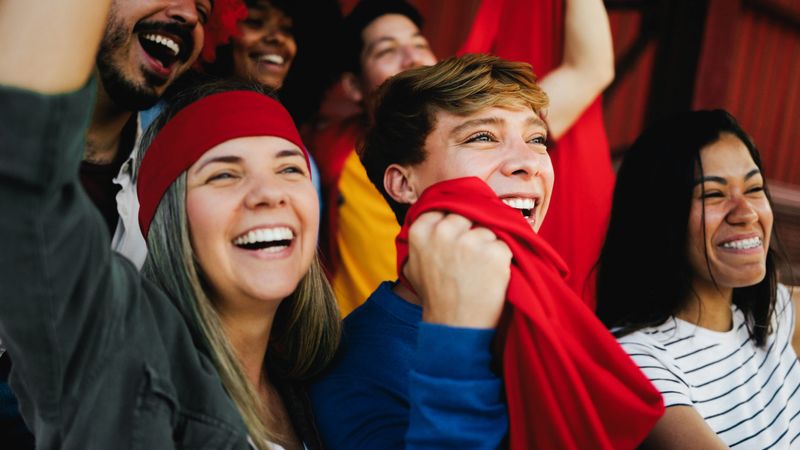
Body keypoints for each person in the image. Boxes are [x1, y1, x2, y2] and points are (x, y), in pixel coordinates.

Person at [0, 0, 342, 447]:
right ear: (169, 219)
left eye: (290, 169)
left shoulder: (334, 386)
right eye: (224, 174)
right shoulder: (127, 360)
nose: (269, 193)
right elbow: (24, 187)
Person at [311, 53, 664, 449]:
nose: (528, 163)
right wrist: (457, 336)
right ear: (404, 184)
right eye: (482, 137)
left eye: (536, 139)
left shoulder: (550, 314)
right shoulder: (355, 368)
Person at [311, 0, 614, 315]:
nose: (413, 57)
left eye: (420, 44)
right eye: (387, 51)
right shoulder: (326, 152)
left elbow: (589, 70)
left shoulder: (495, 115)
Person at [595, 110, 800, 448]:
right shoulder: (636, 359)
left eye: (754, 188)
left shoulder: (774, 312)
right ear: (659, 216)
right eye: (713, 194)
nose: (746, 212)